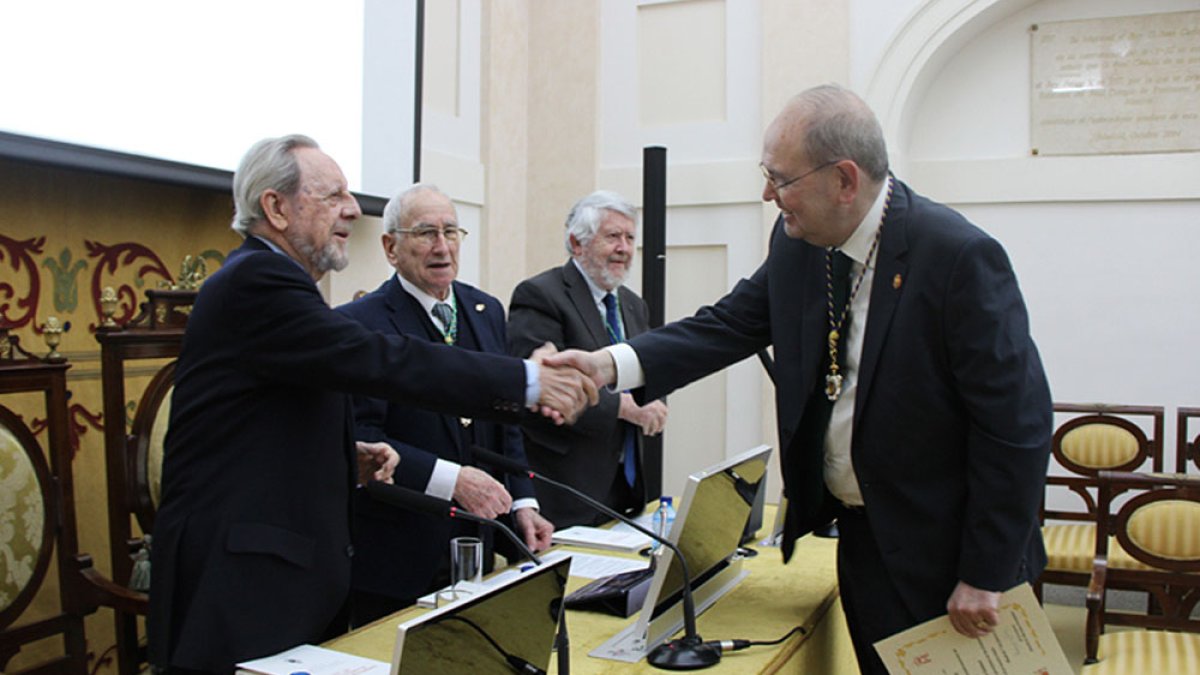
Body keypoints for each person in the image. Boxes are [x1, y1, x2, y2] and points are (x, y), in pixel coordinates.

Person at [547, 85, 1052, 675]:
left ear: (844, 180)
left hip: (955, 559)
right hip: (866, 546)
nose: (768, 194)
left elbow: (1015, 428)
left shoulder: (956, 257)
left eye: (780, 179)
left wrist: (985, 573)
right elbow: (726, 325)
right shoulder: (799, 246)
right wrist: (609, 365)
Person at [147, 135, 596, 674]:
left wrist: (344, 455)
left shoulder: (278, 282)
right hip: (239, 583)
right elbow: (382, 360)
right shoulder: (258, 280)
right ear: (276, 208)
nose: (353, 209)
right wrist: (526, 379)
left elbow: (262, 423)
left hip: (278, 573)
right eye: (333, 195)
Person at [336, 184, 554, 626]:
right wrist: (451, 480)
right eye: (425, 233)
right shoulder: (359, 324)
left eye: (451, 232)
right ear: (390, 247)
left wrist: (522, 503)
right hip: (398, 557)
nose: (442, 246)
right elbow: (364, 438)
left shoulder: (486, 310)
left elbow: (505, 419)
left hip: (478, 547)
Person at [508, 190, 668, 527]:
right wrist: (625, 407)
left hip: (626, 486)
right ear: (576, 244)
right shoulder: (540, 295)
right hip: (566, 491)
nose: (624, 248)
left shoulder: (633, 305)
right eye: (613, 237)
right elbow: (543, 390)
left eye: (630, 238)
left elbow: (649, 367)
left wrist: (654, 398)